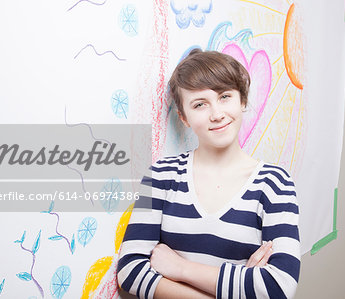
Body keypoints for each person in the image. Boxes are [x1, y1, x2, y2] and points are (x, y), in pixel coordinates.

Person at [117, 49, 300, 299]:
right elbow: (130, 271)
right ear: (184, 117)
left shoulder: (275, 184)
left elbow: (279, 287)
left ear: (242, 100)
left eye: (225, 96)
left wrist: (181, 268)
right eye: (200, 104)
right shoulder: (160, 175)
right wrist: (239, 287)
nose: (216, 114)